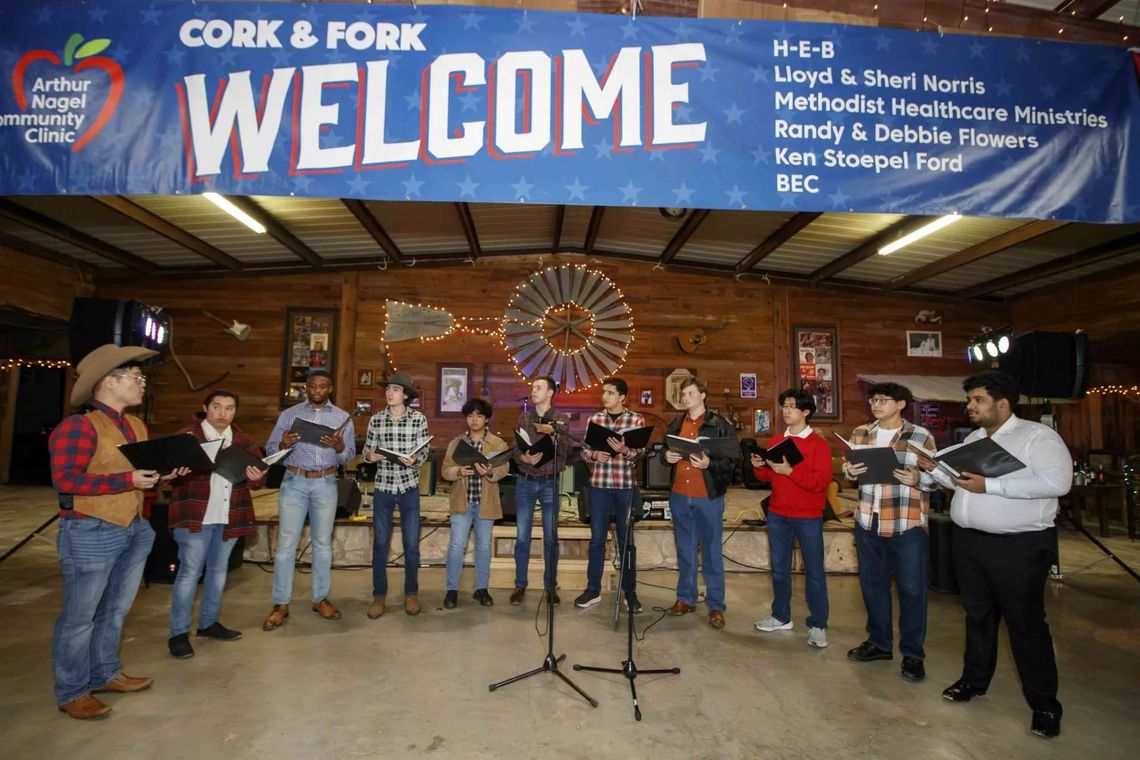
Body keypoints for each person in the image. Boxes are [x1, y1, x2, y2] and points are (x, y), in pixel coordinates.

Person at [918, 371, 1071, 739]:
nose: (970, 406)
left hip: (1019, 546)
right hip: (970, 543)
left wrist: (992, 485)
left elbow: (1057, 483)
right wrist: (935, 471)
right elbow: (961, 482)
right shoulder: (973, 438)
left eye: (978, 400)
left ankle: (1045, 705)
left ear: (1002, 404)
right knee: (978, 617)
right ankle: (974, 681)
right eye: (970, 399)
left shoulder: (1038, 437)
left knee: (1026, 625)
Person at [48, 344, 188, 720]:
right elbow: (66, 480)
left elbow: (139, 480)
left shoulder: (136, 426)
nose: (142, 384)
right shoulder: (78, 426)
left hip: (132, 527)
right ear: (109, 382)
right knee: (80, 617)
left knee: (115, 611)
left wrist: (163, 476)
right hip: (91, 530)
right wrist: (127, 478)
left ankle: (105, 672)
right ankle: (72, 690)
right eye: (135, 378)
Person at [841, 382, 938, 681]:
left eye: (883, 400)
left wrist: (918, 479)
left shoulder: (920, 436)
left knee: (911, 590)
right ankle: (879, 643)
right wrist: (848, 471)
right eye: (873, 399)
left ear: (901, 404)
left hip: (905, 523)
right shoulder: (861, 433)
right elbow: (850, 468)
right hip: (868, 520)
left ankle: (912, 655)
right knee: (873, 586)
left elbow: (937, 478)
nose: (876, 404)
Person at [166, 390, 267, 659]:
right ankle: (178, 634)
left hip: (230, 514)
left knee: (219, 571)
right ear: (206, 408)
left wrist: (257, 476)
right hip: (195, 514)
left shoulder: (243, 439)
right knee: (189, 573)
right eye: (217, 407)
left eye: (230, 408)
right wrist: (177, 473)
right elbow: (167, 476)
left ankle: (208, 623)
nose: (223, 414)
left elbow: (259, 480)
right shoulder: (188, 436)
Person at [263, 370, 356, 630]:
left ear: (330, 388)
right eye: (312, 386)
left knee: (322, 544)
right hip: (294, 482)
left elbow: (347, 456)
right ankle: (281, 604)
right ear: (306, 388)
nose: (317, 391)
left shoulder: (342, 418)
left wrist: (338, 447)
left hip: (326, 483)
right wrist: (282, 443)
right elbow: (271, 450)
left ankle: (320, 599)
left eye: (322, 386)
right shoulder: (289, 415)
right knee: (286, 545)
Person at [750, 389, 832, 647]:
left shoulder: (819, 445)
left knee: (815, 571)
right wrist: (759, 466)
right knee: (779, 569)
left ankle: (818, 624)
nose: (786, 410)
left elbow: (820, 483)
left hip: (808, 516)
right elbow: (770, 478)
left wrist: (791, 471)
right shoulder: (776, 441)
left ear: (806, 411)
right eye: (784, 405)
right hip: (777, 513)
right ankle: (781, 616)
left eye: (792, 406)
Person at [662, 376, 737, 629]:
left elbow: (731, 464)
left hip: (708, 496)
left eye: (691, 393)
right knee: (685, 550)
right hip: (680, 495)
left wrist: (709, 464)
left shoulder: (719, 425)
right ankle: (686, 598)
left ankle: (715, 605)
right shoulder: (676, 423)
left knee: (712, 552)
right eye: (683, 395)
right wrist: (667, 456)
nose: (686, 399)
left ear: (703, 395)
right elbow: (665, 453)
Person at [362, 372, 430, 618]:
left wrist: (414, 459)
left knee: (411, 545)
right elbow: (366, 451)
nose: (389, 393)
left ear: (406, 395)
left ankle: (411, 594)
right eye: (388, 389)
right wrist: (372, 456)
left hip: (409, 488)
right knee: (380, 544)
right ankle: (379, 596)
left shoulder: (418, 419)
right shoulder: (376, 420)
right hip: (384, 488)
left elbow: (424, 452)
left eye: (395, 389)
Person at [576, 377, 646, 613]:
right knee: (597, 540)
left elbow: (639, 454)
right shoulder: (595, 419)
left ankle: (630, 592)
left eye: (610, 393)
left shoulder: (635, 419)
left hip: (625, 487)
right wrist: (595, 456)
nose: (605, 396)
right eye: (603, 392)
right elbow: (584, 452)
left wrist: (623, 450)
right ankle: (592, 589)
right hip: (599, 487)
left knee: (627, 542)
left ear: (622, 397)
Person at [509, 376, 579, 607]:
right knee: (522, 537)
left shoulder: (560, 419)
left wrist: (554, 434)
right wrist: (523, 456)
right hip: (526, 481)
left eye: (539, 387)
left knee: (551, 537)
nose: (533, 390)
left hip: (550, 482)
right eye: (532, 387)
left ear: (550, 393)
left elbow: (567, 451)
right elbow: (514, 449)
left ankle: (550, 586)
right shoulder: (524, 417)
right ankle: (520, 584)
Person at [439, 398, 510, 609]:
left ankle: (482, 589)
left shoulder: (497, 444)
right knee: (456, 546)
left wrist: (490, 471)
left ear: (487, 419)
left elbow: (504, 468)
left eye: (479, 416)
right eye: (470, 416)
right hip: (462, 502)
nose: (474, 420)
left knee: (483, 546)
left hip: (485, 503)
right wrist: (458, 471)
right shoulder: (456, 443)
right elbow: (445, 470)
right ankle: (451, 590)